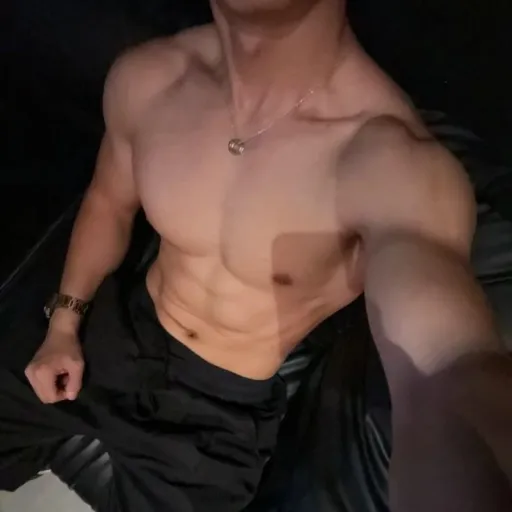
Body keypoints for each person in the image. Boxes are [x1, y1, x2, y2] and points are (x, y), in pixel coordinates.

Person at [1, 0, 511, 510]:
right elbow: (108, 203)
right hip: (116, 333)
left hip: (212, 413)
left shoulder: (394, 163)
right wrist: (64, 324)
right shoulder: (151, 77)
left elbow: (448, 368)